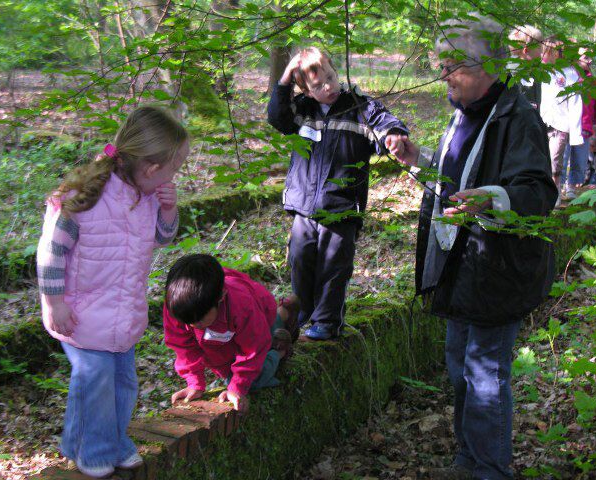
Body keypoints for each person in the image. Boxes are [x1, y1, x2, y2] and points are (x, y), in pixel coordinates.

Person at [393, 15, 558, 480]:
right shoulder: (463, 113)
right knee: (459, 369)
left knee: (485, 375)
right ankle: (469, 460)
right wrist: (419, 159)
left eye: (453, 66)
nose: (443, 75)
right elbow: (459, 180)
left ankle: (490, 469)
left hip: (496, 271)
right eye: (441, 65)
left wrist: (494, 199)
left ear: (488, 67)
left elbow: (537, 193)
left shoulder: (516, 117)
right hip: (460, 266)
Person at [37, 106, 188, 478]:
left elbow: (162, 238)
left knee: (123, 382)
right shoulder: (83, 198)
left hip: (123, 314)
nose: (174, 176)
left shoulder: (146, 198)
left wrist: (169, 209)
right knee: (96, 380)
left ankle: (109, 441)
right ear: (152, 169)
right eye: (174, 168)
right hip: (81, 315)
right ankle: (93, 450)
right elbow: (51, 253)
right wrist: (54, 303)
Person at [267, 47, 409, 340]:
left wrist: (394, 135)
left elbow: (384, 122)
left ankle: (327, 321)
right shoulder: (302, 110)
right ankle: (301, 315)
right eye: (318, 85)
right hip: (304, 205)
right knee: (300, 258)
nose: (328, 87)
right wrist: (285, 78)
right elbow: (277, 117)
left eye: (331, 77)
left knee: (334, 264)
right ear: (306, 90)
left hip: (342, 205)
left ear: (335, 69)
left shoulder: (358, 107)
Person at [163, 254, 300, 413]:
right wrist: (194, 383)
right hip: (224, 337)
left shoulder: (242, 306)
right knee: (228, 373)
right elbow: (183, 348)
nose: (192, 325)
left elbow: (253, 349)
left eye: (199, 320)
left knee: (251, 381)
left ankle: (280, 346)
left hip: (261, 316)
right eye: (187, 322)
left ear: (221, 297)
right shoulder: (178, 306)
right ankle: (282, 316)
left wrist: (237, 388)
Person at [540, 37, 584, 204]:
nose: (544, 54)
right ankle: (543, 193)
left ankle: (555, 194)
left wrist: (576, 133)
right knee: (541, 159)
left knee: (554, 160)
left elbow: (575, 103)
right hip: (542, 122)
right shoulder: (540, 71)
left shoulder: (570, 73)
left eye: (548, 51)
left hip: (560, 124)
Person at [561, 47, 596, 199]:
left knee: (580, 159)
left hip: (584, 127)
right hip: (566, 125)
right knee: (563, 158)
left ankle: (572, 187)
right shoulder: (567, 76)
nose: (590, 60)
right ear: (576, 58)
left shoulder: (592, 82)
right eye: (586, 57)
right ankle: (559, 186)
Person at [507, 25, 543, 109]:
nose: (542, 51)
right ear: (526, 50)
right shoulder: (511, 72)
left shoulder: (534, 71)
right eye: (539, 47)